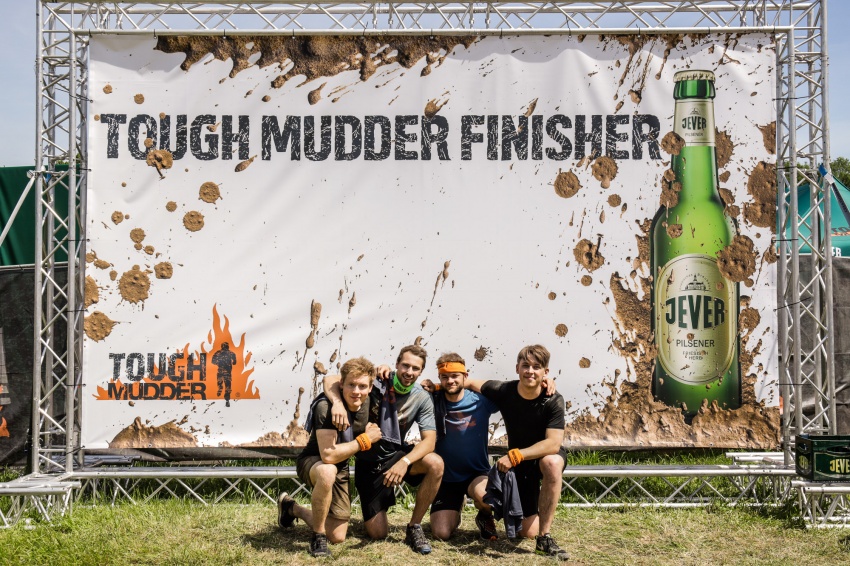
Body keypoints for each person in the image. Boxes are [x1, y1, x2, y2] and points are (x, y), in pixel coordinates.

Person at [440, 345, 569, 560]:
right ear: (517, 368)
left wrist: (514, 455)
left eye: (537, 367)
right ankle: (517, 520)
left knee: (552, 462)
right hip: (520, 467)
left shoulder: (554, 399)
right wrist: (436, 386)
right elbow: (467, 382)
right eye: (525, 366)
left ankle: (545, 538)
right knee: (526, 532)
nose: (530, 371)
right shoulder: (503, 390)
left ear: (546, 372)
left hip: (539, 457)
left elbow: (553, 444)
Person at [324, 344, 443, 554]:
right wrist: (337, 403)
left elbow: (430, 441)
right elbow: (330, 379)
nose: (409, 372)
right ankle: (292, 507)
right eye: (405, 365)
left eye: (415, 368)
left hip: (397, 456)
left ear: (421, 371)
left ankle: (414, 526)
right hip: (368, 464)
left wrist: (404, 462)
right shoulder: (378, 380)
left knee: (435, 463)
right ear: (396, 364)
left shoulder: (422, 397)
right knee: (378, 533)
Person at [277, 357, 382, 558]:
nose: (356, 391)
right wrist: (365, 440)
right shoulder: (326, 407)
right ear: (341, 384)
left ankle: (291, 508)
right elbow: (328, 455)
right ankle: (318, 537)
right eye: (351, 385)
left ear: (370, 388)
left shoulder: (370, 400)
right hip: (314, 461)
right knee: (327, 471)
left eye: (362, 386)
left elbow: (403, 381)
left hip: (341, 465)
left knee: (337, 535)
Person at [426, 352, 500, 541]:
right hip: (446, 478)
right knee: (441, 533)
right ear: (439, 378)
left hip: (476, 474)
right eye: (444, 377)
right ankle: (457, 504)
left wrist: (545, 383)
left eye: (455, 376)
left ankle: (484, 516)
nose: (450, 381)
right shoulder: (433, 400)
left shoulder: (481, 400)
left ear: (465, 376)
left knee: (486, 498)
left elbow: (507, 392)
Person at [211, 341, 237, 407]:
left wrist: (218, 363)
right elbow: (235, 362)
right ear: (228, 346)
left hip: (220, 370)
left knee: (219, 382)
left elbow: (212, 361)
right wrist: (232, 362)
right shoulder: (231, 353)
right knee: (228, 385)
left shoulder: (218, 352)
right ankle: (227, 400)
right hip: (227, 371)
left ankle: (220, 389)